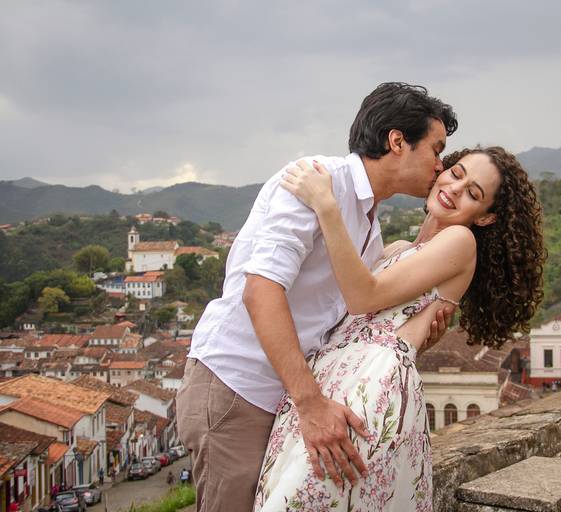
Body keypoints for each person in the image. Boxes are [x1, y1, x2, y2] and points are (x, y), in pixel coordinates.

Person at [176, 82, 459, 512]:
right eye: (436, 150)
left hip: (282, 399)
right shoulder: (314, 181)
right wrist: (311, 406)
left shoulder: (368, 228)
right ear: (397, 141)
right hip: (239, 388)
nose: (440, 165)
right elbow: (260, 291)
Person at [254, 146, 545, 510]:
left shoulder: (460, 241)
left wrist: (326, 206)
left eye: (473, 193)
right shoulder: (398, 248)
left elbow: (363, 296)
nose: (456, 188)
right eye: (457, 174)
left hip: (371, 388)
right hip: (331, 381)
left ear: (485, 218)